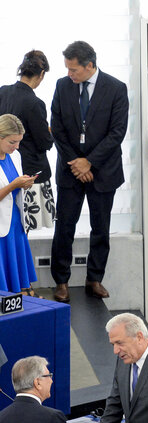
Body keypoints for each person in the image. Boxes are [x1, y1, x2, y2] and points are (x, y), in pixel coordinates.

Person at [50, 40, 129, 303]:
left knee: (101, 227)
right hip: (71, 170)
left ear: (90, 65)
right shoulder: (63, 86)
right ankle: (61, 281)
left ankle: (94, 278)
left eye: (74, 70)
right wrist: (76, 161)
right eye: (68, 69)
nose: (69, 74)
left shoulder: (116, 88)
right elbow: (57, 127)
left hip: (103, 170)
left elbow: (117, 132)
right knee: (65, 227)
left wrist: (90, 162)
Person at [0, 50, 56, 231]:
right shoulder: (34, 103)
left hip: (5, 169)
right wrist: (50, 133)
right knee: (23, 228)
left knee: (8, 224)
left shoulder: (3, 92)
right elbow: (44, 142)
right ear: (41, 74)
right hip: (29, 173)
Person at [0, 114, 37, 295]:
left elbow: (15, 191)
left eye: (19, 142)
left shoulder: (15, 157)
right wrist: (14, 185)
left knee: (16, 278)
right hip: (1, 224)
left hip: (15, 221)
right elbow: (10, 187)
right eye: (12, 142)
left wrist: (24, 184)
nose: (17, 147)